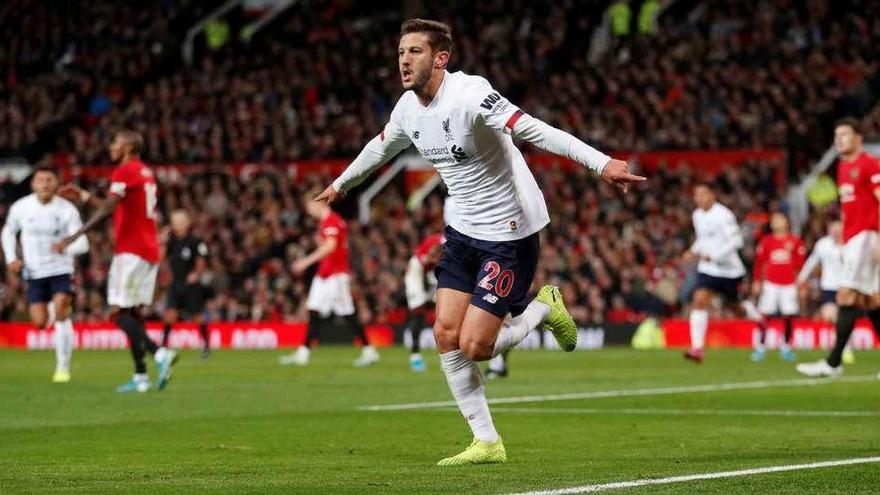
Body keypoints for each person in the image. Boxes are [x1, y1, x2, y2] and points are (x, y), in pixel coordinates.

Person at [313, 19, 644, 465]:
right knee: (445, 334)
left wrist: (600, 163)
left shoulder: (471, 95)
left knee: (477, 346)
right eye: (400, 53)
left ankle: (544, 306)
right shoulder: (408, 108)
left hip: (510, 233)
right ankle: (486, 442)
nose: (404, 61)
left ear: (440, 58)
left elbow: (534, 129)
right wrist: (342, 184)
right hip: (464, 231)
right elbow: (380, 146)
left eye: (414, 52)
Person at [54, 131, 178, 393]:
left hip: (132, 250)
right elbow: (117, 206)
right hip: (147, 249)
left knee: (118, 314)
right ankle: (141, 376)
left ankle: (159, 354)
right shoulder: (143, 172)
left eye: (115, 142)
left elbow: (109, 209)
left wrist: (72, 237)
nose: (111, 146)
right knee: (132, 313)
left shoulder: (125, 170)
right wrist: (85, 197)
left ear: (129, 147)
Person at [797, 118, 880, 377]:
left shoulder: (870, 164)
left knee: (845, 295)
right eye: (836, 135)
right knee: (871, 301)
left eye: (845, 134)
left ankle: (833, 363)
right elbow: (850, 209)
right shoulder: (843, 167)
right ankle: (834, 362)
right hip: (854, 238)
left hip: (867, 236)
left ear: (858, 138)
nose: (839, 139)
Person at [1, 166, 89, 383]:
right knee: (39, 322)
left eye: (50, 179)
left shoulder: (67, 209)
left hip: (61, 270)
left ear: (56, 183)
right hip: (34, 272)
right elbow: (8, 231)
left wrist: (66, 248)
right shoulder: (21, 207)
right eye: (41, 180)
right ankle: (54, 309)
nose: (45, 184)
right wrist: (12, 258)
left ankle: (62, 368)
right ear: (33, 184)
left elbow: (83, 243)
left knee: (61, 313)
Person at [279, 193, 379, 367]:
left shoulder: (332, 220)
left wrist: (305, 262)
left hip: (335, 275)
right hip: (325, 274)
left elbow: (331, 247)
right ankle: (303, 354)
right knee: (314, 311)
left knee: (347, 313)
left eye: (310, 207)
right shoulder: (327, 222)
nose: (309, 211)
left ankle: (369, 351)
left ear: (319, 203)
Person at [683, 183, 767, 363]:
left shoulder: (724, 215)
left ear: (712, 195)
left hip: (729, 271)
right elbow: (703, 239)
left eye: (703, 194)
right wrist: (693, 250)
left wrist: (715, 256)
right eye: (696, 196)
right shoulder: (697, 215)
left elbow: (736, 242)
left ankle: (759, 320)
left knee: (736, 308)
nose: (699, 199)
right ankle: (697, 348)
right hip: (708, 270)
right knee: (699, 300)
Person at [751, 212, 806, 362]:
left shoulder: (795, 241)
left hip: (789, 285)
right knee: (765, 314)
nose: (777, 222)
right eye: (774, 220)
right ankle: (761, 347)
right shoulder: (767, 241)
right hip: (770, 284)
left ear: (787, 222)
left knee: (788, 315)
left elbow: (801, 266)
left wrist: (802, 285)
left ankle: (786, 347)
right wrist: (756, 282)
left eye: (780, 219)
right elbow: (759, 263)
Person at [796, 220, 853, 363]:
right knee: (831, 315)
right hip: (829, 286)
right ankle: (842, 347)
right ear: (828, 229)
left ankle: (845, 348)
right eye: (833, 227)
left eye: (839, 227)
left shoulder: (851, 242)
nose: (836, 230)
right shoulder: (822, 244)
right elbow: (812, 261)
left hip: (847, 286)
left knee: (844, 318)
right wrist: (802, 277)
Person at [161, 209, 210, 358]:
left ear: (187, 223)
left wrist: (196, 274)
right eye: (175, 222)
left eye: (180, 222)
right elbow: (161, 258)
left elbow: (201, 261)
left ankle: (205, 345)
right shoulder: (170, 241)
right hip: (175, 283)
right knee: (170, 315)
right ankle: (163, 347)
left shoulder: (195, 241)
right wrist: (161, 241)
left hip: (190, 285)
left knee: (197, 317)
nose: (178, 225)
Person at [403, 232, 444, 372]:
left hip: (433, 270)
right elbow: (429, 258)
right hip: (418, 269)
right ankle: (415, 356)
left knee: (443, 312)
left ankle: (447, 357)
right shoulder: (440, 241)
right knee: (418, 312)